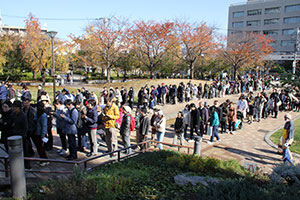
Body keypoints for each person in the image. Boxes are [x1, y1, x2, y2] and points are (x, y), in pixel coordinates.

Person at [11, 100, 31, 169]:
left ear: (18, 108)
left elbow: (25, 127)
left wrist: (23, 135)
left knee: (25, 151)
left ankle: (27, 165)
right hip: (14, 135)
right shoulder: (13, 114)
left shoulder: (23, 115)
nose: (13, 108)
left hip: (21, 136)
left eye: (14, 107)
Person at [34, 101, 49, 166]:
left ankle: (45, 160)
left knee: (41, 148)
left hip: (41, 134)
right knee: (38, 147)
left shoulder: (43, 115)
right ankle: (42, 159)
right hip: (37, 132)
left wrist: (43, 135)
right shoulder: (37, 114)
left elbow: (44, 126)